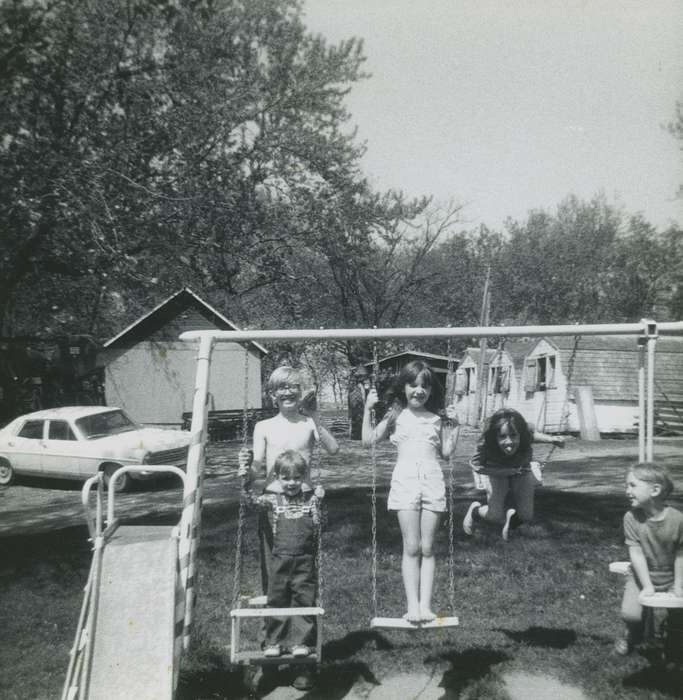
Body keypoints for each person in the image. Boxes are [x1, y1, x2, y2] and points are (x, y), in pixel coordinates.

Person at [362, 360, 459, 623]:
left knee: (428, 547)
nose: (419, 391)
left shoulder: (438, 420)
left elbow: (447, 454)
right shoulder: (395, 415)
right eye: (413, 385)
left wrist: (456, 428)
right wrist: (367, 409)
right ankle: (412, 606)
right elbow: (368, 440)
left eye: (425, 386)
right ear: (404, 387)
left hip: (432, 481)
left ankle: (426, 607)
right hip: (405, 482)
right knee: (412, 546)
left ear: (431, 390)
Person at [238, 365, 338, 592]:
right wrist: (245, 467)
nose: (288, 392)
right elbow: (257, 468)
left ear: (301, 391)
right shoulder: (263, 426)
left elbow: (333, 448)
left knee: (305, 563)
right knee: (273, 559)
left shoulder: (309, 423)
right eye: (281, 388)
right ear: (273, 395)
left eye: (293, 387)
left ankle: (307, 620)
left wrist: (314, 416)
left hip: (304, 498)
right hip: (273, 497)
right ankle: (274, 620)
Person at [240, 450, 321, 691]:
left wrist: (320, 499)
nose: (292, 483)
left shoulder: (310, 500)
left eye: (297, 478)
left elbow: (317, 525)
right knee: (277, 599)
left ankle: (301, 643)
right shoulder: (273, 500)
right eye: (286, 478)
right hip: (280, 559)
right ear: (277, 478)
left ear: (304, 477)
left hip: (305, 560)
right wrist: (244, 478)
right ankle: (274, 641)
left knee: (303, 600)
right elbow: (249, 500)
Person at [462, 408, 564, 540]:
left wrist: (552, 439)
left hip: (522, 471)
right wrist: (506, 472)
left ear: (520, 433)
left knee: (526, 516)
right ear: (494, 437)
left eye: (514, 435)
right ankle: (476, 510)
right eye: (503, 436)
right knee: (494, 516)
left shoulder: (525, 433)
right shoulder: (485, 444)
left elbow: (531, 436)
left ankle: (511, 517)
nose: (509, 442)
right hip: (497, 472)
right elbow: (476, 466)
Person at [615, 462, 683, 657]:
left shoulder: (678, 520)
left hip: (673, 576)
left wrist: (678, 585)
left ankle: (674, 650)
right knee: (630, 614)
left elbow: (681, 555)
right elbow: (635, 554)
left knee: (679, 617)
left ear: (654, 490)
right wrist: (646, 585)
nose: (627, 491)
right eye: (626, 485)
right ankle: (633, 635)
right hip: (641, 576)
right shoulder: (631, 517)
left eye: (632, 486)